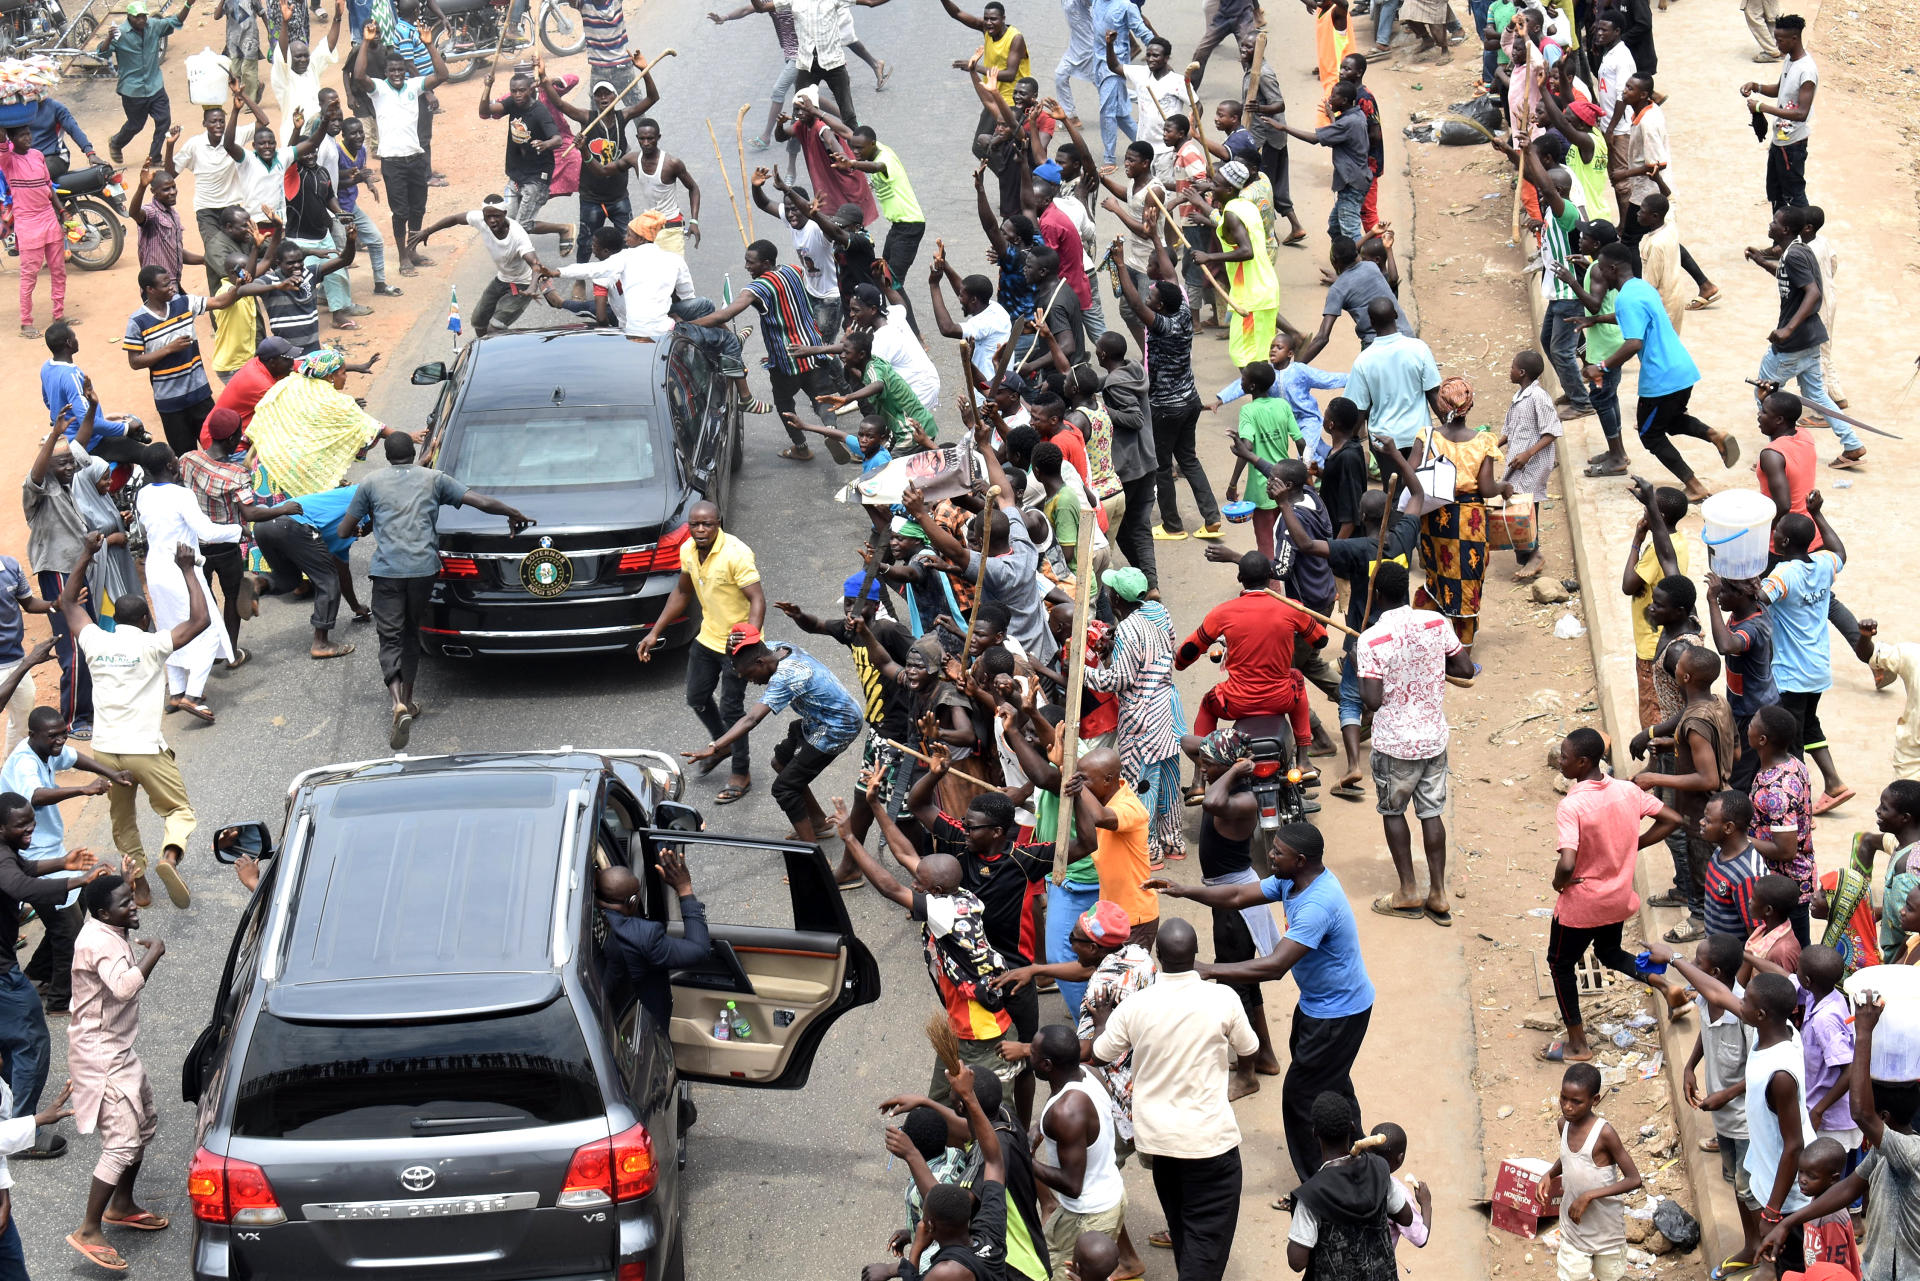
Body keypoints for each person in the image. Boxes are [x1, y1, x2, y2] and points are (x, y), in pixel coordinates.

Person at [1151, 822, 1375, 1187]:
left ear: (1300, 861)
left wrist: (1209, 969)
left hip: (1339, 1013)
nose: (1269, 854)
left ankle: (1316, 1186)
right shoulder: (1292, 880)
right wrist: (1182, 890)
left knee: (1301, 1097)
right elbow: (1238, 896)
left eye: (1278, 853)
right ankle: (1358, 1157)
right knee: (1333, 1085)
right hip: (1318, 1005)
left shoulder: (1317, 904)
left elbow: (1274, 967)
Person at [339, 434, 534, 748]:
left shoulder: (371, 483)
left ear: (387, 456)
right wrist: (513, 513)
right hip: (423, 571)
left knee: (390, 637)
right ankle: (410, 701)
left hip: (387, 573)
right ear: (414, 452)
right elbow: (481, 502)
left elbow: (344, 531)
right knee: (411, 634)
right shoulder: (434, 479)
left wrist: (364, 524)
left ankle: (396, 703)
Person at [1090, 918, 1255, 1279]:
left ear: (1159, 955)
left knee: (1183, 1229)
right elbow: (1249, 1048)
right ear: (1196, 955)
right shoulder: (1223, 998)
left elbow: (1100, 1052)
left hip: (1161, 1147)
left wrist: (1103, 1021)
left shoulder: (1135, 1007)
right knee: (1204, 1243)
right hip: (1211, 1146)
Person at [1541, 727, 1690, 1063]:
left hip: (1583, 903)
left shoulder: (1572, 805)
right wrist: (1633, 845)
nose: (1560, 763)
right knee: (1608, 952)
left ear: (1582, 762)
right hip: (1618, 899)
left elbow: (1567, 862)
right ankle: (1666, 987)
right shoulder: (1627, 791)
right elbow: (1672, 819)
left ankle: (1578, 1043)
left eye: (1564, 758)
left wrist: (1558, 883)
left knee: (1559, 964)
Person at [1758, 992, 1920, 1280]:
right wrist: (1787, 1223)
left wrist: (1864, 1033)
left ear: (1882, 1119)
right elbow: (1848, 1188)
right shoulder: (1884, 1154)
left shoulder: (1910, 1153)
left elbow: (1860, 1113)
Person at [1358, 560, 1475, 923]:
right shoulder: (1436, 622)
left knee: (1394, 812)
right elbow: (1465, 669)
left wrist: (1361, 670)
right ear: (1407, 589)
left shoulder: (1371, 639)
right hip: (1432, 739)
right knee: (1431, 813)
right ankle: (1438, 894)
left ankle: (1408, 891)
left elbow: (1372, 701)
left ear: (1376, 595)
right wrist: (1429, 667)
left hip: (1395, 744)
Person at [63, 872, 167, 1273]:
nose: (134, 905)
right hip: (101, 1057)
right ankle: (88, 1229)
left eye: (131, 899)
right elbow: (124, 987)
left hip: (119, 1050)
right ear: (104, 912)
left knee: (144, 1126)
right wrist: (154, 952)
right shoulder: (99, 942)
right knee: (122, 1143)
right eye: (125, 903)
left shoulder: (108, 926)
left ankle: (121, 1206)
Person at [1580, 243, 1736, 502]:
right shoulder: (1639, 288)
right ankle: (1714, 435)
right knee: (1670, 421)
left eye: (1600, 269)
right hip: (1682, 369)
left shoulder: (1626, 299)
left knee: (1650, 434)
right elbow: (1631, 317)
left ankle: (1694, 486)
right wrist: (1596, 319)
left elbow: (1633, 343)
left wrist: (1602, 366)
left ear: (1612, 269)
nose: (1597, 275)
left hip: (1661, 378)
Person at [637, 503, 764, 804]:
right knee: (696, 697)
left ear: (718, 523)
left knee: (733, 710)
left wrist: (750, 642)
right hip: (708, 638)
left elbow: (757, 598)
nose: (701, 530)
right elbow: (682, 592)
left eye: (707, 524)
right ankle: (724, 744)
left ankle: (741, 773)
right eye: (695, 525)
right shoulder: (688, 551)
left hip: (738, 645)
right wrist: (655, 632)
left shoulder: (736, 553)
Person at [1180, 730, 1284, 1098]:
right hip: (1226, 892)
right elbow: (1187, 743)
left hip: (1234, 900)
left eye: (1209, 765)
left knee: (1234, 985)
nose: (1202, 768)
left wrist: (1235, 768)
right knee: (1244, 983)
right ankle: (1265, 1055)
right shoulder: (1225, 779)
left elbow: (1209, 802)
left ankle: (1248, 1074)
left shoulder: (1241, 801)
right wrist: (1224, 753)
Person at [690, 625, 862, 845]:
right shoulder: (775, 649)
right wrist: (729, 649)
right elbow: (742, 658)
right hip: (818, 718)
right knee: (781, 762)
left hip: (837, 726)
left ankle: (812, 859)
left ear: (760, 663)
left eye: (749, 675)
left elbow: (751, 719)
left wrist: (715, 746)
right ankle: (818, 823)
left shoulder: (786, 677)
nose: (750, 681)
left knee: (784, 788)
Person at [1080, 575, 1185, 873]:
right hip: (1168, 707)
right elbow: (1159, 651)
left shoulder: (1127, 628)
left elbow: (1119, 680)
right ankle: (1172, 840)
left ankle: (1148, 849)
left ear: (1116, 600)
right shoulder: (1159, 612)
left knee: (1142, 781)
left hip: (1142, 716)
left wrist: (1083, 673)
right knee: (1167, 776)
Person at [1747, 208, 1860, 468]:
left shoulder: (1795, 254)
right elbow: (1792, 279)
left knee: (1765, 396)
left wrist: (1787, 330)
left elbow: (1812, 293)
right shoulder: (1798, 250)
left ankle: (1779, 451)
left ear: (1785, 230)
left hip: (1793, 343)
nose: (1770, 224)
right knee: (1817, 395)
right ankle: (1852, 445)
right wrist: (1762, 261)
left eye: (1775, 222)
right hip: (1811, 339)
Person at [1760, 496, 1850, 814]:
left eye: (1775, 532)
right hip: (1818, 669)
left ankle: (1799, 807)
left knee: (1791, 741)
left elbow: (1760, 599)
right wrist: (1817, 513)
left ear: (1782, 541)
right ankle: (1834, 782)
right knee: (1808, 724)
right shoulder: (1824, 565)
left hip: (1791, 673)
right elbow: (1840, 551)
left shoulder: (1784, 574)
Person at [349, 22, 451, 277]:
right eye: (392, 70)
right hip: (392, 162)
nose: (396, 73)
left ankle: (413, 250)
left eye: (400, 69)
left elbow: (443, 75)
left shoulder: (415, 86)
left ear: (406, 71)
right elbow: (359, 76)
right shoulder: (379, 90)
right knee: (400, 212)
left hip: (416, 158)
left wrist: (429, 45)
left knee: (418, 208)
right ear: (385, 72)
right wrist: (365, 41)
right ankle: (403, 256)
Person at [1284, 1091, 1418, 1278]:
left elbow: (1297, 1262)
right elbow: (1406, 1217)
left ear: (1315, 1132)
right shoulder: (1378, 1169)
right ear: (1352, 1127)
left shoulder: (1312, 1195)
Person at [122, 266, 251, 455]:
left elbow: (221, 302)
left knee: (219, 450)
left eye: (171, 283)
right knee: (185, 455)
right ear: (150, 289)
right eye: (166, 285)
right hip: (170, 403)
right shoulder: (138, 321)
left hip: (200, 395)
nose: (172, 288)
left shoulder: (184, 303)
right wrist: (168, 349)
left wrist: (238, 288)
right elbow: (135, 362)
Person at [1535, 1064, 1642, 1281]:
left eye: (1576, 1101)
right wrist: (1550, 1174)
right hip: (1574, 1229)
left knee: (1611, 1276)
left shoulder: (1604, 1134)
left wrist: (1589, 1196)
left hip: (1606, 1232)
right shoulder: (1563, 1125)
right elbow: (1568, 1159)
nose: (1567, 1107)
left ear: (1594, 1100)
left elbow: (1634, 1179)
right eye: (1563, 1098)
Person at [596, 848, 712, 1030]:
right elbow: (700, 950)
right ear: (633, 901)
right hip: (643, 1028)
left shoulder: (589, 918)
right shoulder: (642, 936)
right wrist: (685, 890)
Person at [251, 484, 368, 659]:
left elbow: (343, 575)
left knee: (288, 579)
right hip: (291, 521)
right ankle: (321, 643)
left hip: (265, 523)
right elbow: (333, 579)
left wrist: (356, 607)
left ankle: (256, 585)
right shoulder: (362, 493)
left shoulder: (342, 536)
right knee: (327, 581)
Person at [413, 196, 550, 334]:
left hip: (522, 285)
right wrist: (427, 231)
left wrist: (532, 287)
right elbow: (454, 219)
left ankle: (501, 351)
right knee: (478, 322)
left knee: (494, 328)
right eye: (488, 216)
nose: (491, 221)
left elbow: (536, 265)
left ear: (505, 214)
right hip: (502, 278)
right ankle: (483, 351)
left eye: (496, 216)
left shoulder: (517, 235)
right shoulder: (479, 218)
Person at [100, 0, 195, 167]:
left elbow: (176, 21)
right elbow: (102, 52)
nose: (142, 20)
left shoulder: (154, 26)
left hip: (155, 85)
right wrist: (108, 37)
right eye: (138, 17)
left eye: (144, 16)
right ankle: (116, 142)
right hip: (133, 90)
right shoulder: (120, 32)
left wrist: (187, 5)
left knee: (164, 120)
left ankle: (154, 157)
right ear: (129, 17)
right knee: (136, 125)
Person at [0, 125, 74, 340]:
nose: (28, 138)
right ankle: (26, 323)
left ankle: (59, 315)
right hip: (28, 223)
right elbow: (2, 141)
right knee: (29, 276)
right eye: (22, 135)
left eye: (28, 133)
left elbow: (48, 186)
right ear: (12, 139)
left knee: (58, 270)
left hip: (48, 218)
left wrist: (62, 210)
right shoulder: (8, 160)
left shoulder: (38, 155)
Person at [1740, 14, 1816, 211]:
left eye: (1780, 40)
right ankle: (1781, 235)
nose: (1776, 44)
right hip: (1780, 140)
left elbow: (1801, 113)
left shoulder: (1807, 71)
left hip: (1792, 145)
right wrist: (1756, 86)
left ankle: (1803, 238)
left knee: (1795, 196)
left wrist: (1761, 108)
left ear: (1794, 39)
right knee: (1776, 193)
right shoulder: (1790, 60)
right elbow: (1779, 90)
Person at [1279, 80, 1370, 242]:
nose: (1329, 100)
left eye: (1333, 96)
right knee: (1335, 227)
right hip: (1356, 181)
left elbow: (1315, 138)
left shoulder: (1348, 122)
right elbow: (1339, 133)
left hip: (1352, 185)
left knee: (1351, 234)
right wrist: (1331, 116)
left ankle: (1358, 265)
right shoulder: (1356, 115)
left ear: (1344, 101)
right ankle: (1343, 261)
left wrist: (1284, 128)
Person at [1344, 296, 1440, 448]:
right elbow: (1434, 394)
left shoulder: (1363, 361)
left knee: (1389, 474)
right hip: (1420, 438)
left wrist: (1346, 444)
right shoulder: (1419, 349)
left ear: (1371, 322)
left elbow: (1359, 410)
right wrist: (1450, 430)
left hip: (1384, 441)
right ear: (1396, 315)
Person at [1498, 350, 1558, 579]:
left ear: (1522, 372)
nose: (1509, 370)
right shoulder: (1520, 396)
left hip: (1532, 464)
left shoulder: (1538, 397)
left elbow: (1551, 432)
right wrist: (1494, 444)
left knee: (1524, 507)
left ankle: (1534, 555)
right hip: (1518, 462)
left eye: (1512, 366)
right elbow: (1510, 430)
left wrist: (1528, 454)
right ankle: (1527, 556)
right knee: (1518, 506)